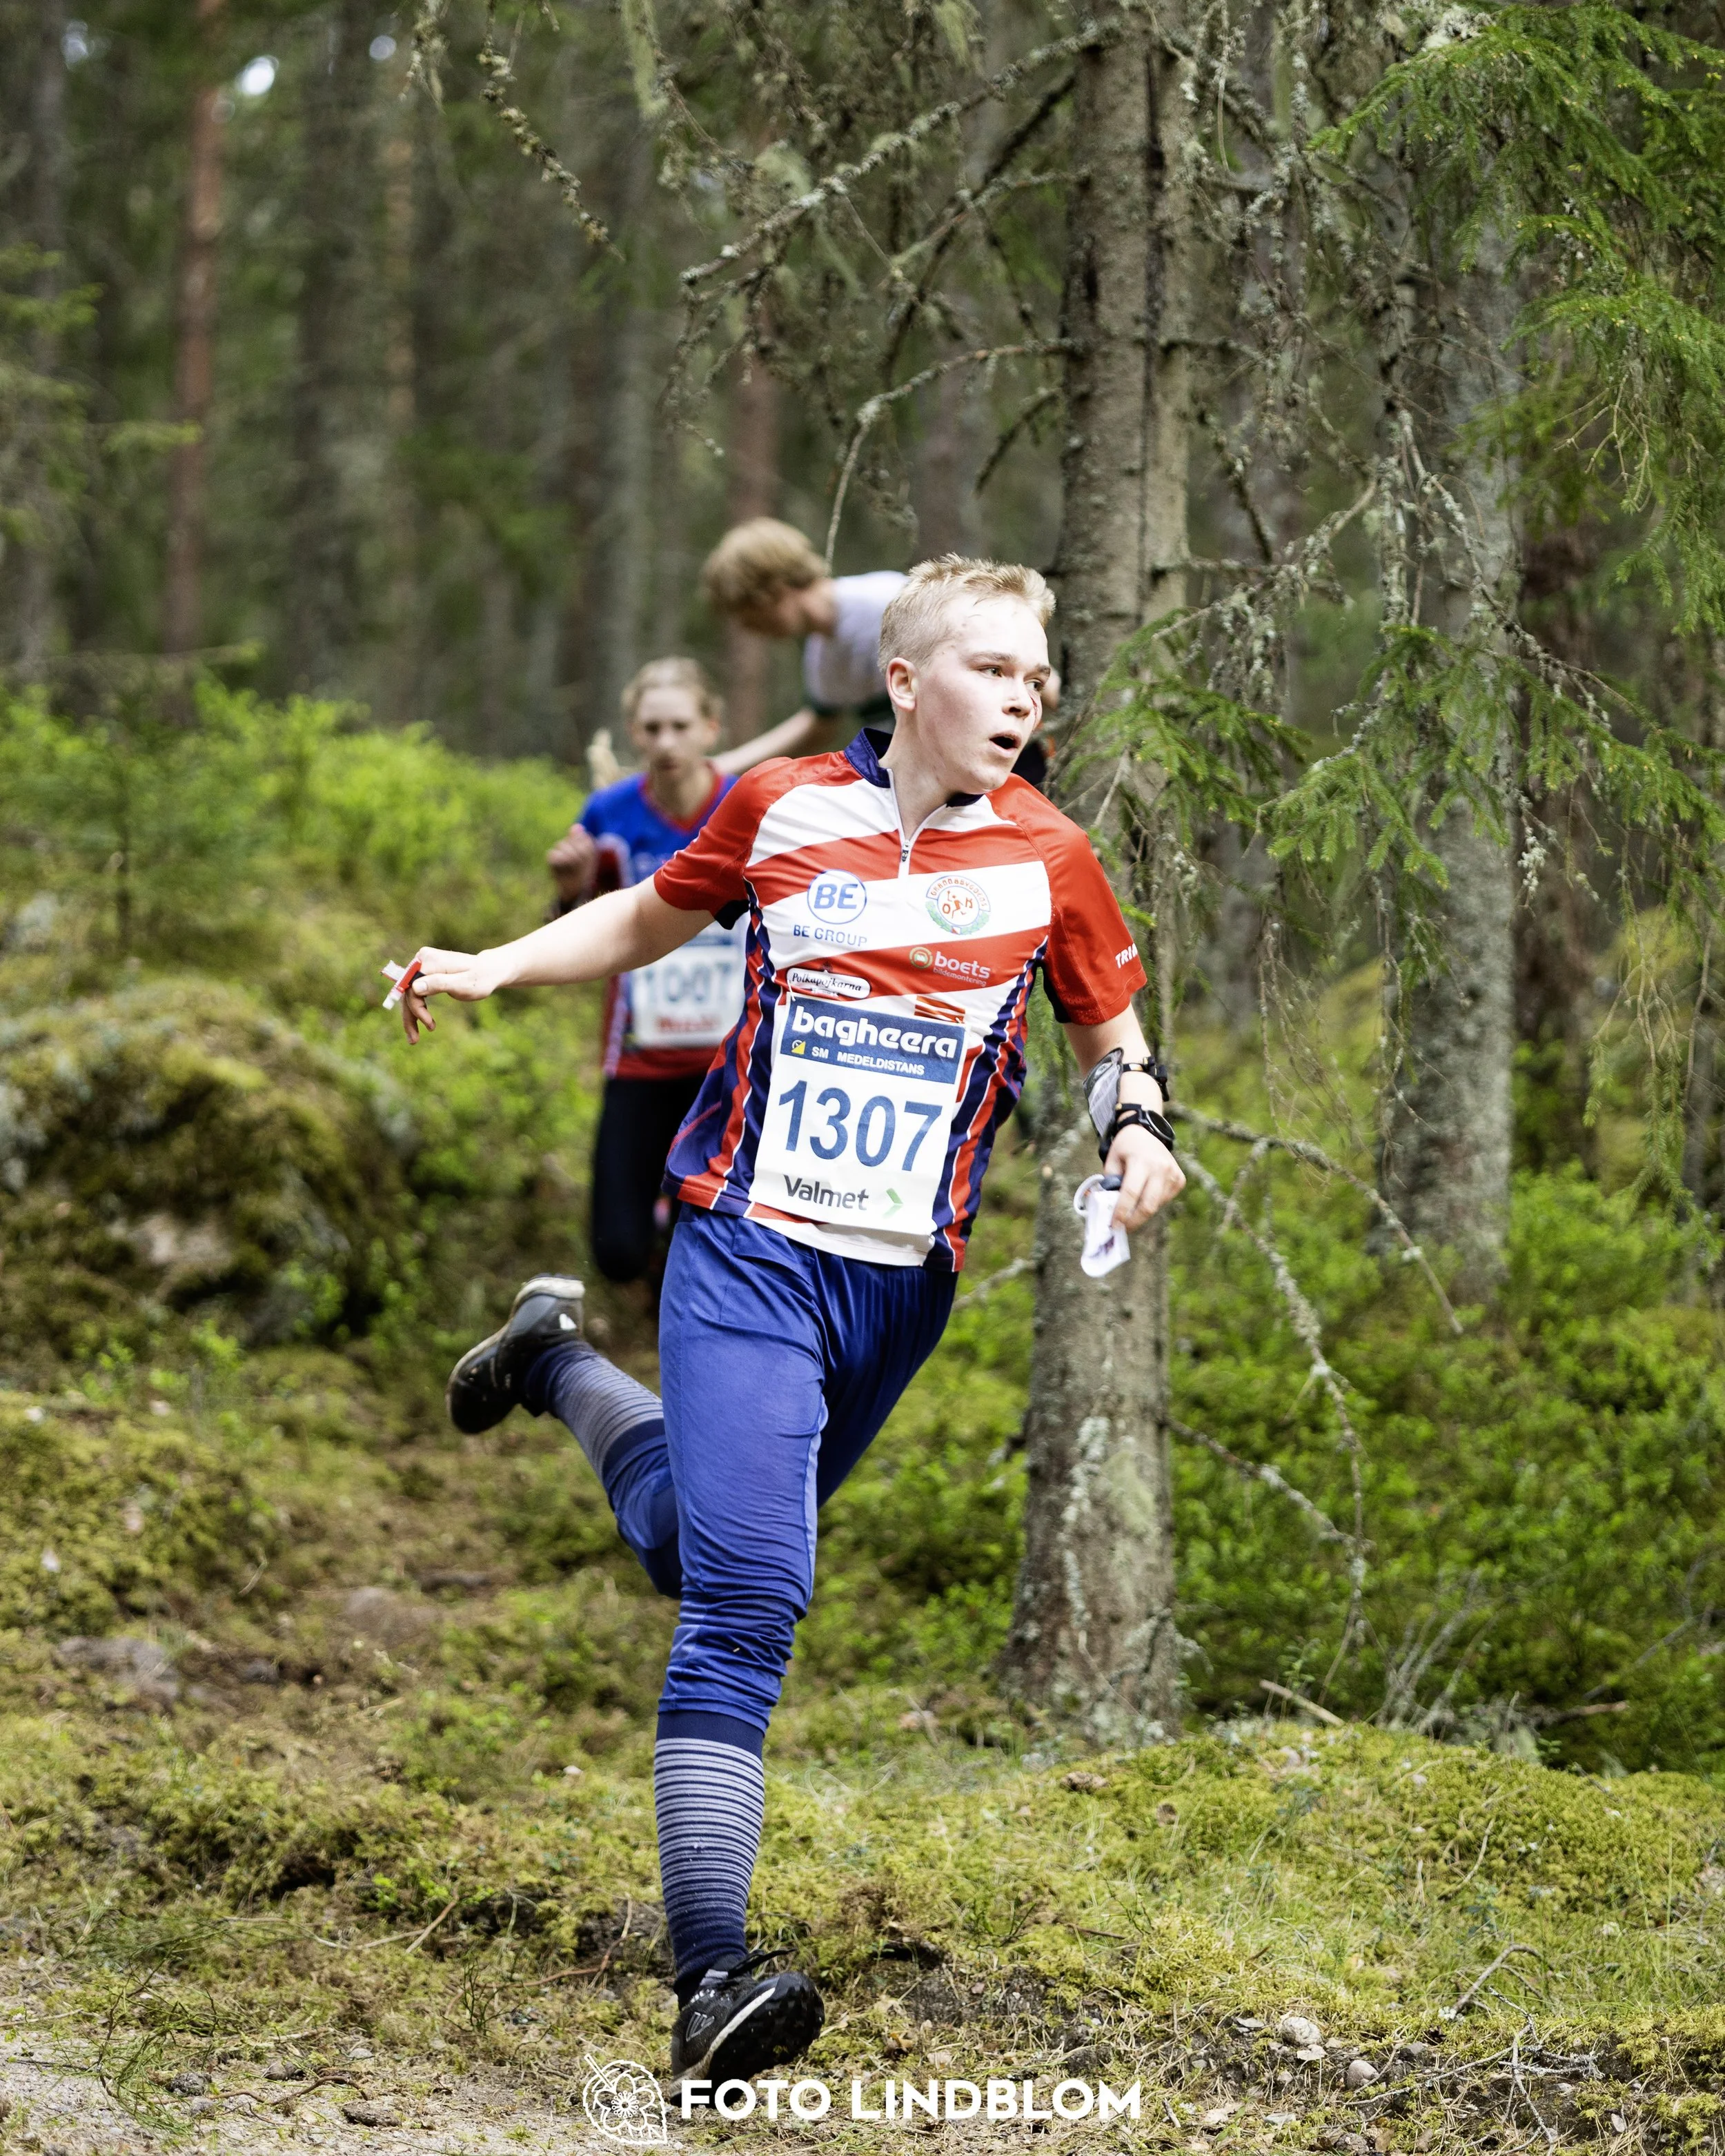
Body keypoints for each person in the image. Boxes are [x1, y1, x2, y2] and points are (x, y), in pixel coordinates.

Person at [397, 555, 1184, 2090]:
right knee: (748, 1598)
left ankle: (552, 1356)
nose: (1027, 696)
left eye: (1041, 675)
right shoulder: (784, 810)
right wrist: (492, 961)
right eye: (996, 668)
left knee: (696, 1540)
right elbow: (646, 914)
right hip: (745, 1249)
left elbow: (1109, 1034)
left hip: (899, 1287)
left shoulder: (1052, 856)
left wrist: (1137, 1128)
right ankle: (710, 1979)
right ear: (904, 680)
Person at [545, 657, 745, 1285]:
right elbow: (578, 927)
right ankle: (659, 1220)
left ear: (711, 727)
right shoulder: (607, 815)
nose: (666, 743)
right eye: (652, 728)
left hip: (732, 1061)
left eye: (680, 725)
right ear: (634, 732)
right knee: (617, 1252)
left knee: (727, 1245)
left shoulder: (748, 804)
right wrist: (568, 890)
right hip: (639, 1056)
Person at [702, 517, 1054, 785]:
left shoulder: (883, 603)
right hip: (937, 779)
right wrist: (720, 768)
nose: (751, 629)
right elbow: (816, 727)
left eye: (747, 614)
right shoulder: (822, 655)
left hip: (1005, 763)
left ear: (771, 590)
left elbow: (1000, 653)